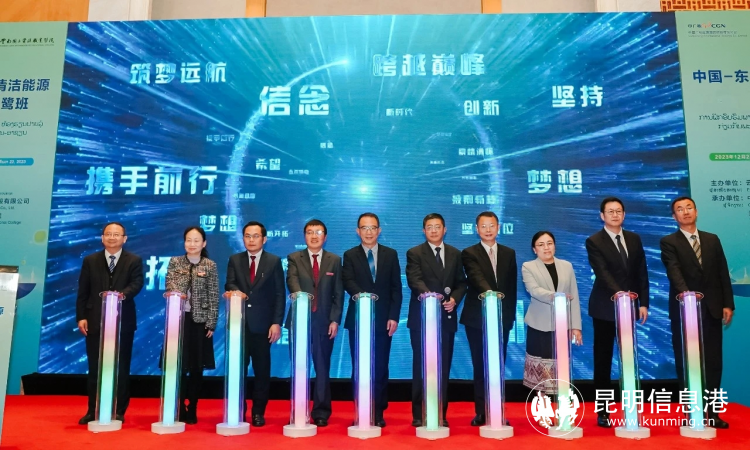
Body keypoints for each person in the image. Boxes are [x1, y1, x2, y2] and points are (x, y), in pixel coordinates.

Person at [660, 196, 734, 429]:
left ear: (696, 211)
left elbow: (722, 272)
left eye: (689, 207)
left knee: (713, 363)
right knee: (687, 363)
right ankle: (692, 411)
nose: (685, 212)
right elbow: (674, 272)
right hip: (685, 312)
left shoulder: (712, 239)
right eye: (680, 209)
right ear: (674, 217)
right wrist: (687, 297)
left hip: (712, 310)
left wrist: (728, 304)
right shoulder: (669, 242)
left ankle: (713, 413)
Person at [585, 197, 649, 428]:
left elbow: (641, 272)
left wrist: (643, 302)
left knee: (629, 359)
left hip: (630, 308)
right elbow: (602, 273)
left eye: (618, 211)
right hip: (605, 308)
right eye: (610, 211)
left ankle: (631, 408)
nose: (615, 215)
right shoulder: (594, 241)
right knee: (603, 360)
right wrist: (621, 295)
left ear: (624, 214)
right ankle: (603, 410)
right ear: (602, 215)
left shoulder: (634, 238)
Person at [76, 222, 144, 425]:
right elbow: (83, 291)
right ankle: (93, 410)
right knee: (95, 367)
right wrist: (81, 316)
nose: (112, 238)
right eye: (108, 234)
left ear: (125, 238)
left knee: (121, 368)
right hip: (95, 321)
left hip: (123, 322)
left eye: (116, 234)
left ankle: (118, 410)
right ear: (102, 238)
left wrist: (120, 295)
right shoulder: (90, 260)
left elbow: (137, 283)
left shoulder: (134, 260)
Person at [405, 213, 466, 428]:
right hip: (422, 318)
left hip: (446, 318)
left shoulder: (455, 253)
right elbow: (414, 280)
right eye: (429, 227)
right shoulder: (414, 253)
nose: (433, 230)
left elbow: (461, 283)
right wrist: (430, 297)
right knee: (421, 366)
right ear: (424, 231)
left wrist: (455, 299)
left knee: (443, 367)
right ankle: (419, 413)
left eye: (437, 226)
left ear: (444, 229)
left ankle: (440, 412)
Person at [342, 212, 402, 427]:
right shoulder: (350, 255)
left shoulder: (390, 254)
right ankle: (361, 409)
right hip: (358, 319)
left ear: (379, 230)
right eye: (364, 228)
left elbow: (396, 288)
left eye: (373, 228)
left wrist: (394, 316)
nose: (368, 232)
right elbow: (348, 281)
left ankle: (378, 411)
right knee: (359, 367)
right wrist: (363, 297)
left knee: (380, 367)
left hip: (384, 320)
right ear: (357, 231)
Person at [225, 221, 285, 427]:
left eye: (255, 236)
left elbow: (279, 294)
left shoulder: (273, 261)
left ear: (264, 239)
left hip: (263, 325)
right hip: (239, 325)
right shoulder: (235, 260)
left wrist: (276, 322)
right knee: (237, 371)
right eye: (247, 236)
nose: (251, 240)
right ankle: (238, 410)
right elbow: (229, 283)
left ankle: (258, 412)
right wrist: (236, 292)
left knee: (262, 372)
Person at [461, 211, 517, 426]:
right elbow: (476, 277)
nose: (487, 229)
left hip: (502, 319)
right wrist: (491, 295)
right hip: (477, 318)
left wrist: (509, 317)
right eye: (483, 226)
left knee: (498, 367)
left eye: (491, 225)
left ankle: (498, 411)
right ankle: (482, 412)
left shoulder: (509, 253)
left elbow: (511, 288)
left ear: (498, 227)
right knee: (481, 366)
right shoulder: (469, 253)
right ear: (477, 229)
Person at [285, 219, 344, 427]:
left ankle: (321, 412)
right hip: (299, 320)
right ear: (304, 236)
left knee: (322, 368)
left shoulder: (334, 260)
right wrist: (300, 296)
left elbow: (338, 293)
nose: (314, 236)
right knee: (299, 367)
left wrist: (335, 319)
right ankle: (299, 408)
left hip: (324, 322)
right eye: (309, 232)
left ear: (325, 237)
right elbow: (292, 281)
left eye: (318, 232)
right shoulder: (294, 258)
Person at [521, 231, 582, 427]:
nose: (546, 247)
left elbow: (574, 296)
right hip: (539, 325)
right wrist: (556, 296)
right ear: (534, 249)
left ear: (555, 245)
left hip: (562, 326)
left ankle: (564, 413)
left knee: (560, 371)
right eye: (541, 244)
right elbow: (534, 290)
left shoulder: (566, 266)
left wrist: (575, 326)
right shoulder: (528, 266)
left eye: (549, 243)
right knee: (542, 373)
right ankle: (544, 413)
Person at [164, 226, 219, 424]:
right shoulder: (175, 262)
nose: (192, 244)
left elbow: (213, 295)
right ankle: (178, 405)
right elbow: (171, 286)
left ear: (204, 243)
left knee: (197, 367)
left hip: (200, 322)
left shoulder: (210, 265)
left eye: (196, 240)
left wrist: (211, 323)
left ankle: (193, 405)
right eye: (189, 240)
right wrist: (187, 276)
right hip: (178, 320)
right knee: (178, 365)